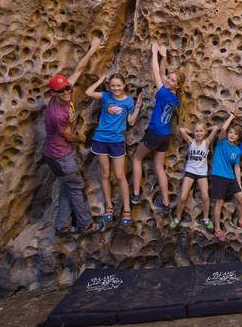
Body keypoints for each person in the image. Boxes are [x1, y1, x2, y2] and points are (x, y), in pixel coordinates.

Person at [42, 37, 104, 235]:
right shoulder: (57, 113)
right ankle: (87, 225)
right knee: (76, 187)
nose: (67, 91)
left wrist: (92, 50)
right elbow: (68, 135)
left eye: (67, 88)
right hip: (60, 155)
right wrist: (82, 138)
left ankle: (62, 226)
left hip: (54, 154)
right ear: (53, 93)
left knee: (67, 186)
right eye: (61, 90)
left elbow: (78, 70)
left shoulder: (64, 92)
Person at [85, 73, 141, 227]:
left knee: (120, 175)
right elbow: (88, 93)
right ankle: (109, 206)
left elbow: (131, 121)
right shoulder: (105, 96)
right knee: (105, 173)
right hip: (101, 139)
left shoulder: (128, 100)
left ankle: (127, 210)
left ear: (124, 85)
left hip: (117, 141)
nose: (116, 88)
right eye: (113, 85)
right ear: (109, 87)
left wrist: (137, 108)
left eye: (119, 85)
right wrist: (100, 80)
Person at [131, 43, 180, 211]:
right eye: (169, 78)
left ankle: (136, 194)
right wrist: (164, 57)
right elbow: (162, 75)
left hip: (154, 133)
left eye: (173, 80)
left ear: (176, 86)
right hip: (165, 135)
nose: (168, 80)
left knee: (137, 158)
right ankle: (166, 202)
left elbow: (156, 73)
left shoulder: (163, 92)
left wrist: (154, 54)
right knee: (159, 167)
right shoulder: (174, 98)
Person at [171, 121, 219, 231]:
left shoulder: (206, 143)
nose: (199, 133)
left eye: (201, 131)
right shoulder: (190, 141)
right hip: (190, 172)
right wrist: (191, 132)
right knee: (183, 197)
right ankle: (177, 218)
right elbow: (182, 130)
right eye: (197, 131)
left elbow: (216, 128)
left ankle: (206, 218)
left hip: (202, 173)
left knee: (205, 197)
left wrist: (208, 130)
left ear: (205, 133)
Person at [210, 113, 242, 242]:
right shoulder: (221, 142)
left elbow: (237, 167)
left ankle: (241, 221)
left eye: (235, 134)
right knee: (219, 202)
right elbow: (222, 129)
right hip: (218, 176)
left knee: (241, 198)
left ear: (238, 137)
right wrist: (231, 117)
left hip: (230, 177)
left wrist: (238, 184)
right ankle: (217, 229)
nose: (232, 135)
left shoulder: (237, 150)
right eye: (230, 132)